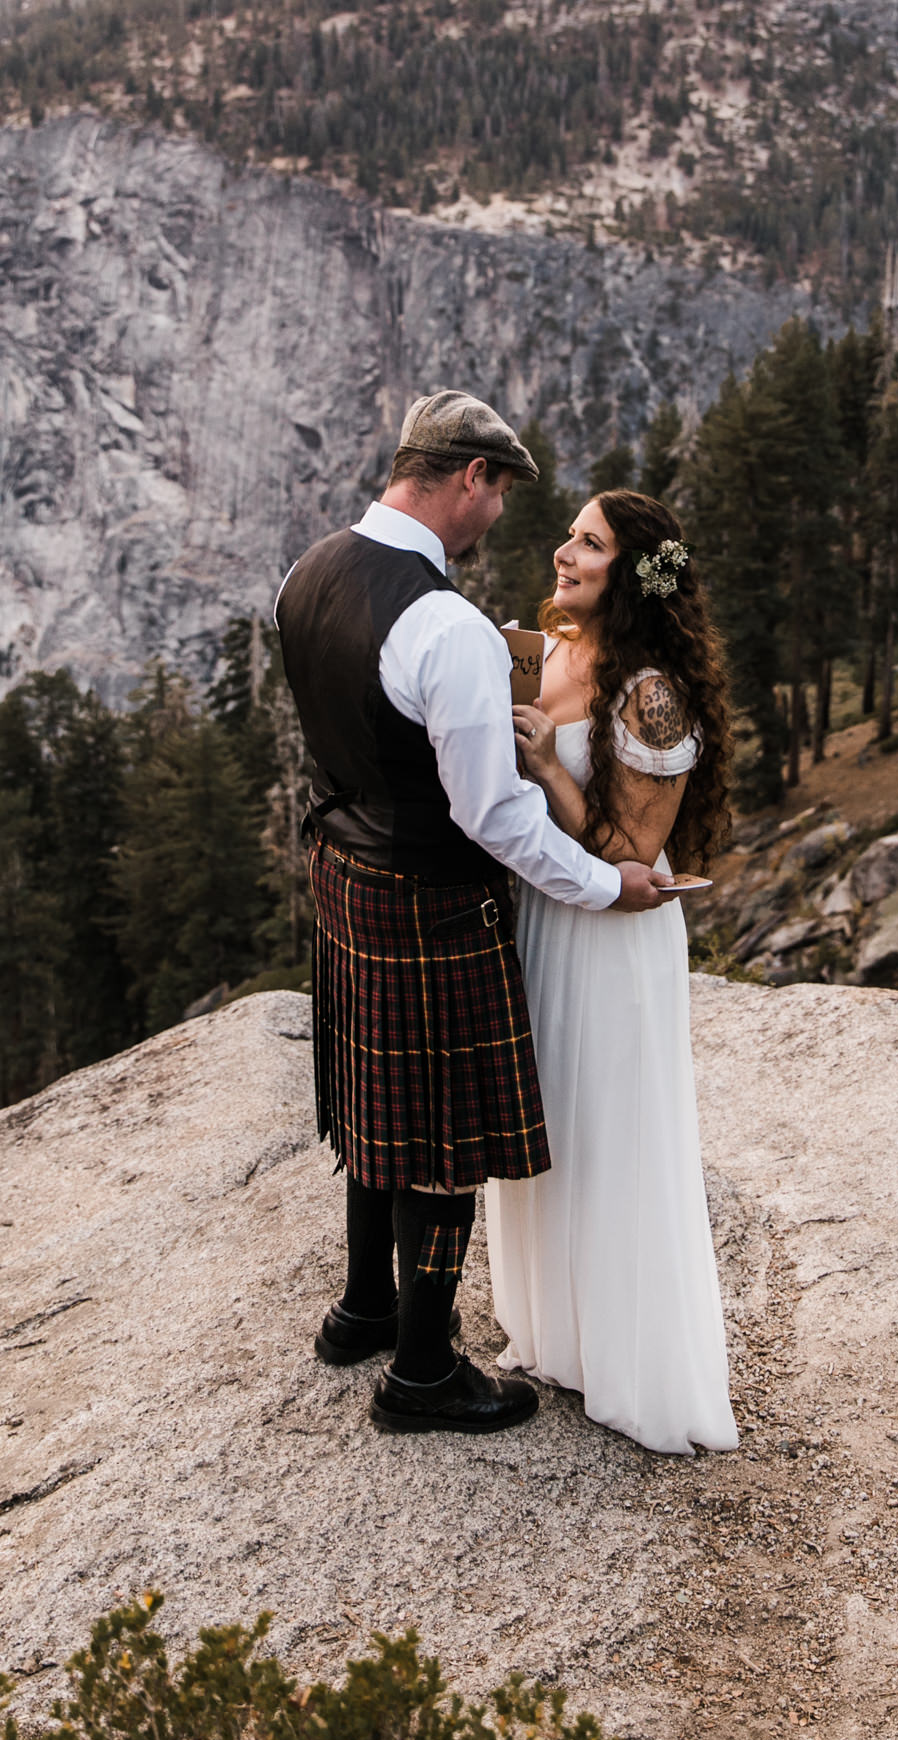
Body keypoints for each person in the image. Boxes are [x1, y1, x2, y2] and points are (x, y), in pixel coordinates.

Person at [274, 393, 665, 1438]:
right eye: (497, 495)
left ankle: (360, 1308)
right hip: (429, 898)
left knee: (371, 1100)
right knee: (439, 1136)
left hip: (346, 872)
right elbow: (491, 814)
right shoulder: (441, 624)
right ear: (469, 480)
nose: (500, 520)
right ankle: (420, 1370)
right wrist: (599, 885)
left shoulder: (307, 571)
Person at [487, 487, 740, 1456]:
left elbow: (630, 850)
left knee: (607, 1130)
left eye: (586, 544)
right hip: (540, 916)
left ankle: (629, 1362)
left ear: (629, 573)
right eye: (568, 534)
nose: (561, 553)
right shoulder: (550, 630)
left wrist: (549, 767)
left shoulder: (652, 694)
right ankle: (553, 1332)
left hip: (609, 932)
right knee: (545, 1118)